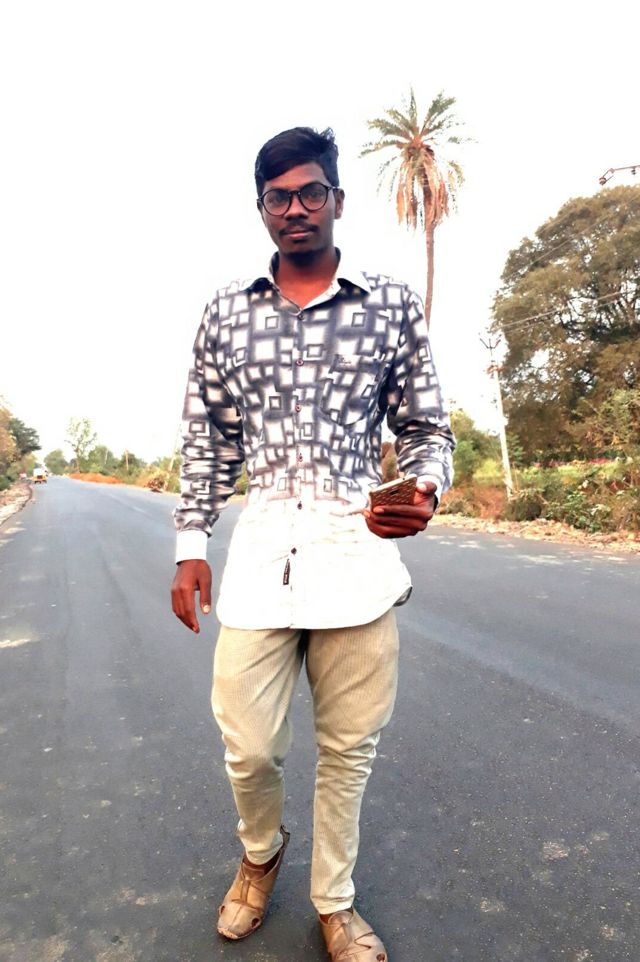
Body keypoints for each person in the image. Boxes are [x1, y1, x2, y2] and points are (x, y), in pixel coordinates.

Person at [171, 126, 455, 961]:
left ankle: (335, 902)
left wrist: (425, 489)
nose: (295, 209)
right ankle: (261, 855)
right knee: (249, 745)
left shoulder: (388, 305)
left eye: (310, 192)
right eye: (278, 197)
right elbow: (207, 440)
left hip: (355, 554)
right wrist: (191, 541)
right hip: (262, 554)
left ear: (337, 199)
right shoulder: (227, 312)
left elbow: (425, 427)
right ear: (261, 208)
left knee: (348, 749)